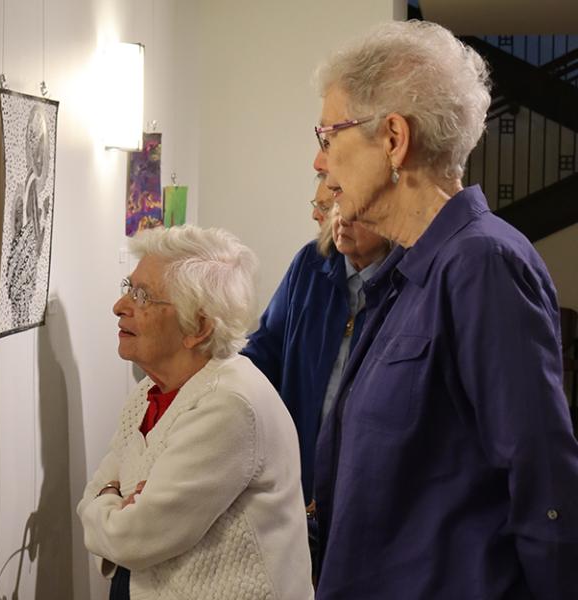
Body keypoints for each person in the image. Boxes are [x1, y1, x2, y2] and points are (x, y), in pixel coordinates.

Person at [311, 20, 578, 599]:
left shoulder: (481, 263)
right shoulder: (408, 273)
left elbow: (543, 482)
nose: (319, 162)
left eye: (328, 136)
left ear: (393, 140)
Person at [78, 225, 313, 600]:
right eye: (128, 287)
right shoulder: (151, 391)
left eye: (142, 296)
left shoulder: (229, 404)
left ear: (198, 327)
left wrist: (110, 501)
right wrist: (115, 498)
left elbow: (134, 536)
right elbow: (104, 488)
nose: (120, 306)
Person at [242, 178, 391, 513]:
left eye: (357, 210)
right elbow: (265, 351)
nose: (341, 218)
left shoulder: (409, 283)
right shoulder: (310, 264)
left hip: (368, 487)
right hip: (297, 476)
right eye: (336, 206)